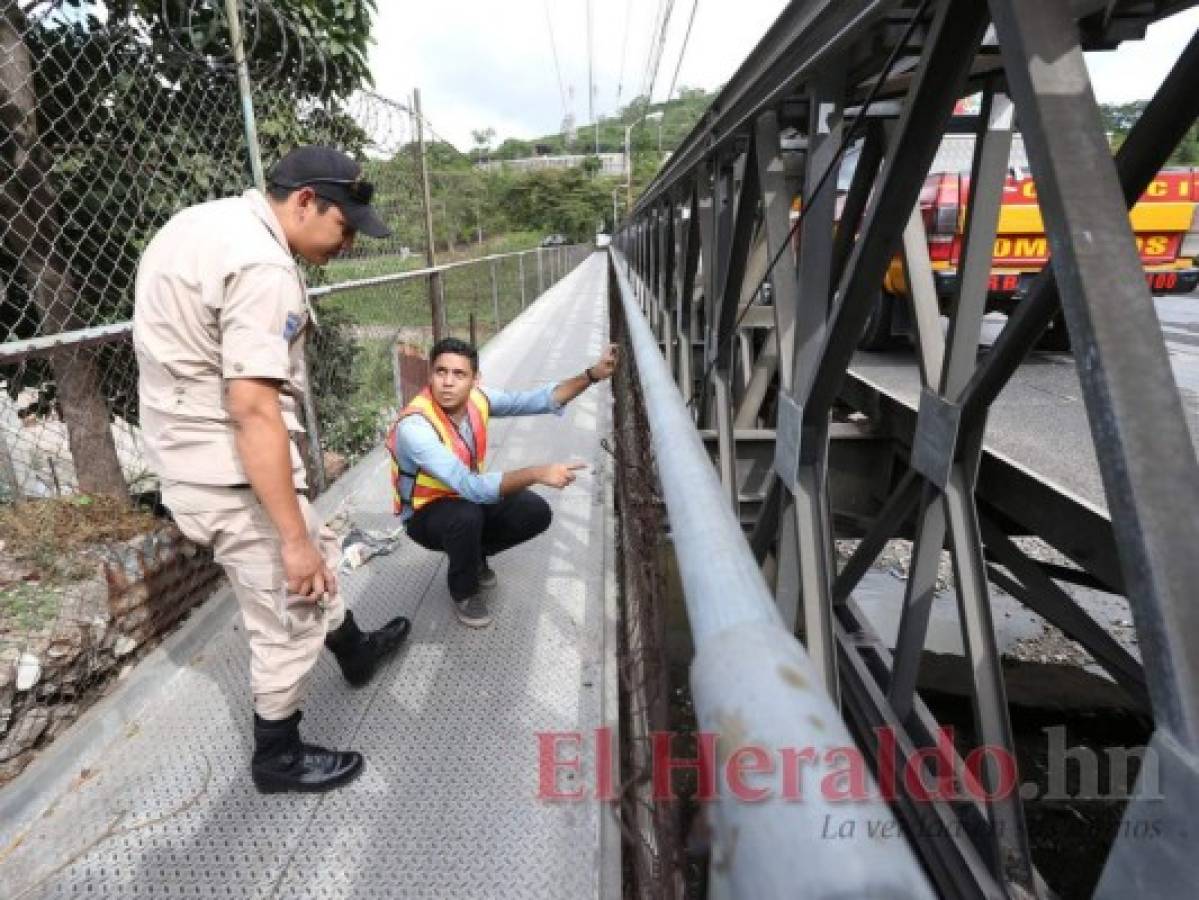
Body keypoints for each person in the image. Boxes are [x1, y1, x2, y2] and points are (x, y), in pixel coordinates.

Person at [133, 146, 411, 794]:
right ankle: (277, 756)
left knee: (319, 551)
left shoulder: (203, 224)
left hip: (190, 458)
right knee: (293, 607)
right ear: (306, 201)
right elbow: (253, 408)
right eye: (345, 226)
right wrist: (288, 539)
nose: (348, 243)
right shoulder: (263, 265)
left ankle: (356, 650)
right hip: (232, 473)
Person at [388, 337, 618, 627]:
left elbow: (538, 399)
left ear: (475, 380)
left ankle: (475, 554)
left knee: (535, 512)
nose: (447, 382)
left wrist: (592, 375)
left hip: (463, 497)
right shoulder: (416, 427)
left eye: (459, 374)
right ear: (430, 375)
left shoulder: (477, 399)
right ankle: (463, 590)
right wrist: (537, 473)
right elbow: (471, 487)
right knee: (466, 516)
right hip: (425, 513)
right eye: (440, 371)